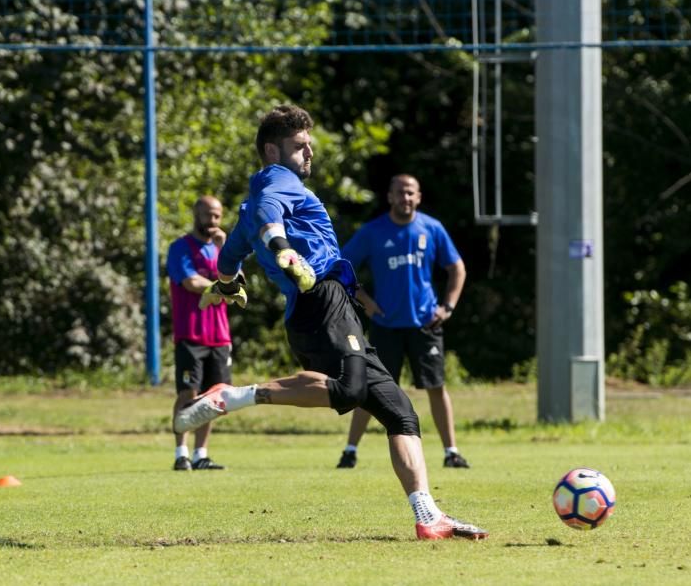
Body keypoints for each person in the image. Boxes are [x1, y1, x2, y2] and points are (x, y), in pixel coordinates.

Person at [174, 104, 488, 540]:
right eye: (300, 146)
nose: (309, 154)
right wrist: (282, 248)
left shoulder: (248, 207)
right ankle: (238, 394)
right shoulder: (274, 182)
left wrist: (226, 284)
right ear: (272, 150)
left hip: (329, 308)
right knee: (350, 390)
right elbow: (269, 214)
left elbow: (229, 261)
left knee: (400, 413)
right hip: (320, 302)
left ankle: (428, 514)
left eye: (309, 146)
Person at [336, 174, 469, 470]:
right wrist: (366, 303)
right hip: (386, 326)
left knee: (435, 386)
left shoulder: (432, 229)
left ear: (418, 197)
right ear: (390, 197)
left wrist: (447, 307)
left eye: (410, 193)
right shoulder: (373, 231)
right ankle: (350, 451)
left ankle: (451, 452)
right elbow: (342, 269)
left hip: (425, 324)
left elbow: (457, 269)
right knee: (371, 389)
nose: (405, 198)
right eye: (400, 193)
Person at [166, 195, 233, 471]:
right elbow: (191, 281)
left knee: (213, 396)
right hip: (191, 333)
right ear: (197, 214)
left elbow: (235, 285)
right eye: (207, 215)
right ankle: (181, 453)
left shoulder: (222, 250)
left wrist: (225, 251)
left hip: (219, 335)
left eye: (217, 216)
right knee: (188, 392)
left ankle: (200, 454)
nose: (212, 221)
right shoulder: (180, 248)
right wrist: (221, 288)